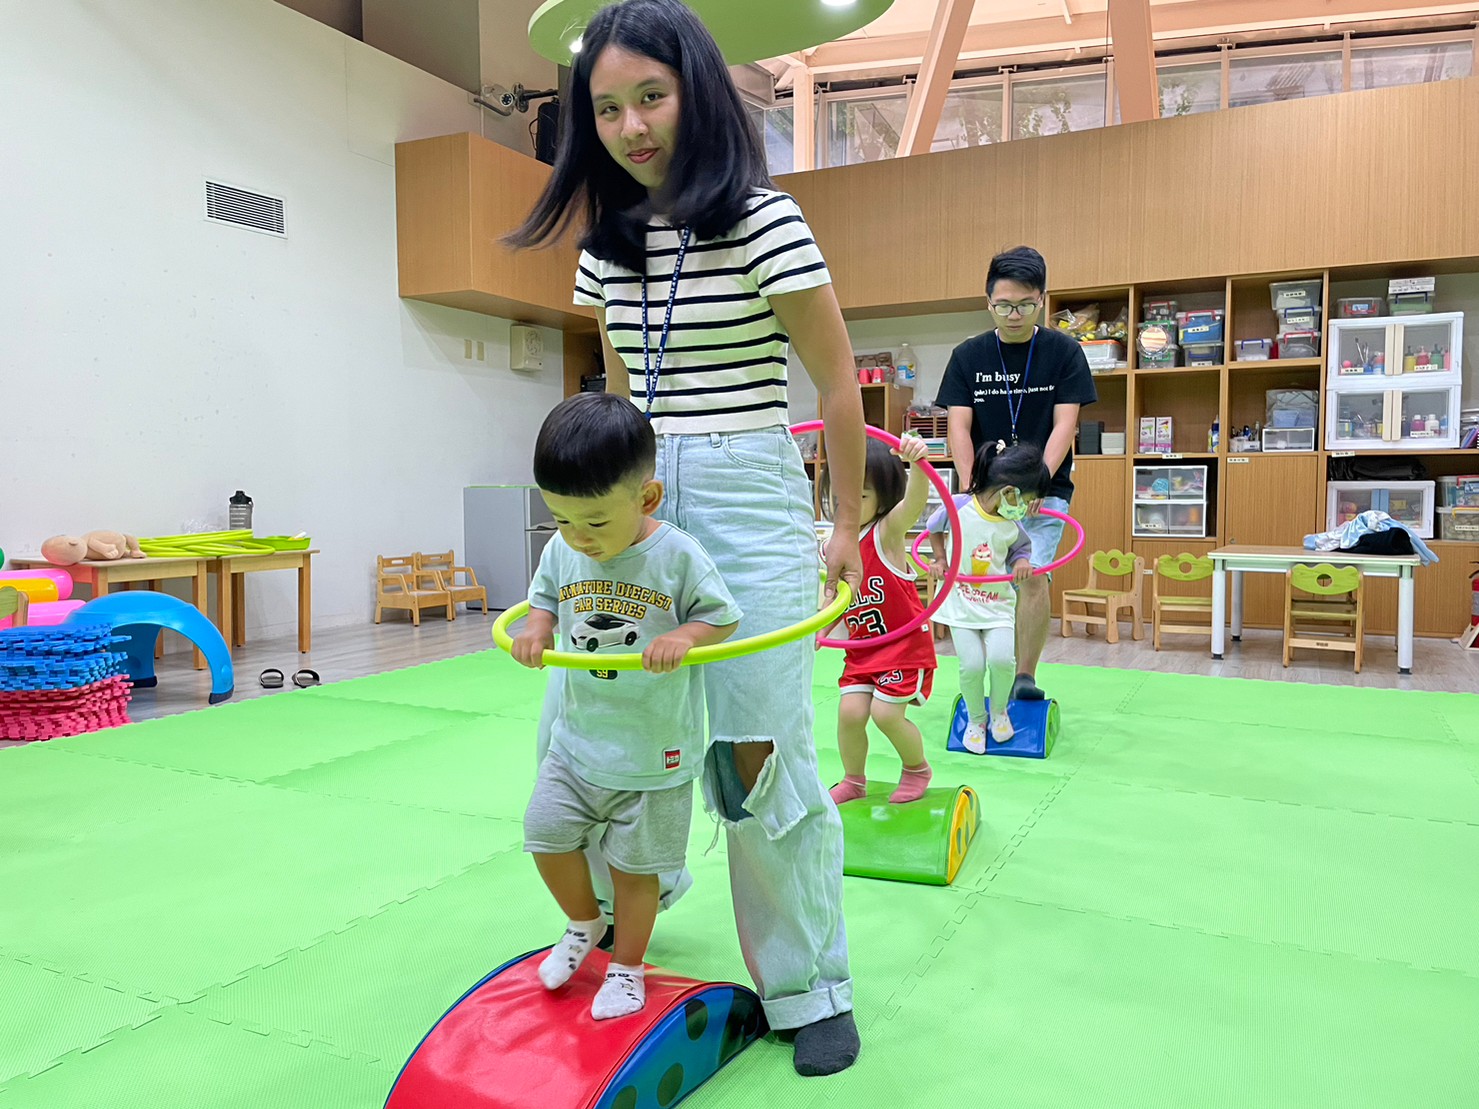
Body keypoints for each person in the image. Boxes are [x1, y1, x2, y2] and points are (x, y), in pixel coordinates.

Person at [507, 0, 867, 1075]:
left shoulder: (766, 219)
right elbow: (617, 391)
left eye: (649, 97)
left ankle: (809, 982)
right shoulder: (604, 249)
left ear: (699, 92)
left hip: (752, 487)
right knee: (600, 710)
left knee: (756, 749)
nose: (630, 125)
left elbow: (839, 379)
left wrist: (844, 523)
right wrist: (601, 519)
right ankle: (636, 901)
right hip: (640, 489)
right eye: (607, 108)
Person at [512, 393, 742, 1021]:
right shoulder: (566, 550)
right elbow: (545, 598)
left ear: (647, 498)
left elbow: (722, 617)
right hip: (579, 741)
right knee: (545, 835)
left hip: (654, 752)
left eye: (592, 522)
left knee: (636, 873)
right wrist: (535, 628)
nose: (577, 538)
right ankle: (584, 925)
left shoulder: (676, 554)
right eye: (560, 520)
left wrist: (684, 637)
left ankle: (628, 966)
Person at [934, 246, 1097, 703]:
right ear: (988, 302)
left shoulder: (1064, 352)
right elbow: (958, 426)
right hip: (982, 493)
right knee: (980, 575)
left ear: (1041, 300)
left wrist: (1037, 485)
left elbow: (1066, 423)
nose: (1014, 314)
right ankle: (982, 668)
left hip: (1044, 491)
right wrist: (973, 492)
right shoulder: (968, 356)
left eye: (1024, 305)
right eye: (1003, 305)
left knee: (1032, 574)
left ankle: (1024, 675)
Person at [825, 435, 938, 806]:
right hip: (861, 651)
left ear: (883, 496)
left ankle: (917, 768)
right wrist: (819, 629)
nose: (849, 506)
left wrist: (917, 465)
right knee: (850, 713)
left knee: (886, 714)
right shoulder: (832, 545)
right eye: (840, 496)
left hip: (901, 647)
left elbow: (915, 504)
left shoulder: (886, 532)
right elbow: (836, 600)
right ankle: (854, 779)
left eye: (861, 496)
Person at [927, 441, 1051, 752]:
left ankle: (998, 712)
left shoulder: (1011, 523)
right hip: (962, 604)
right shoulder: (958, 507)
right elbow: (933, 527)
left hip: (998, 605)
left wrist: (1022, 562)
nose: (1025, 509)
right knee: (970, 666)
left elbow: (1021, 549)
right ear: (1011, 491)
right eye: (1028, 500)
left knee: (1000, 660)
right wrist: (941, 559)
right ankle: (976, 718)